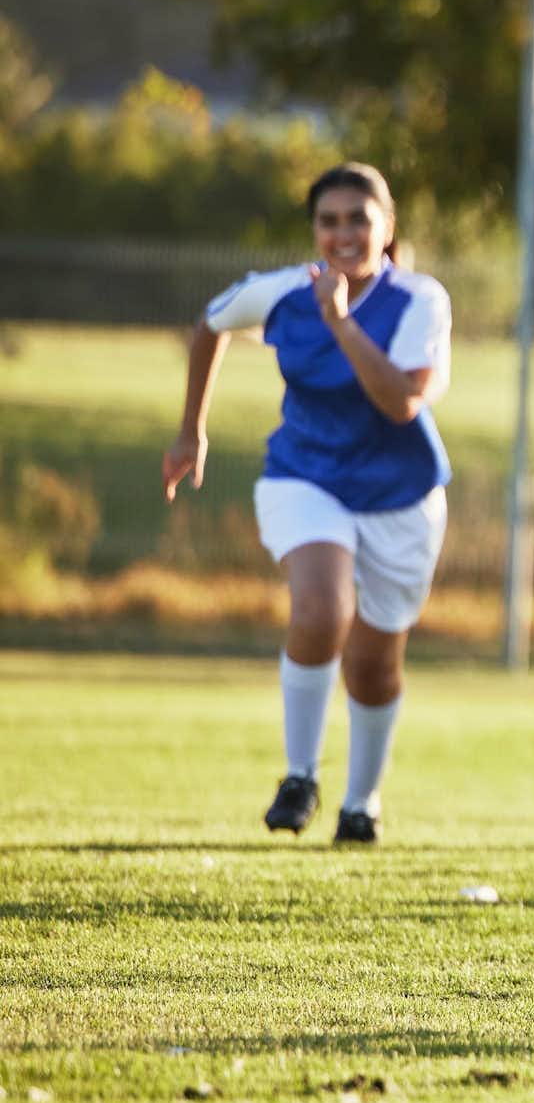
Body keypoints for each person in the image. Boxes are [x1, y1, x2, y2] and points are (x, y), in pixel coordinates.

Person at [164, 162, 452, 846]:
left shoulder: (420, 301)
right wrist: (190, 430)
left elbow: (401, 401)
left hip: (399, 496)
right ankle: (299, 775)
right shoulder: (282, 291)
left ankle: (361, 804)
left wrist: (342, 321)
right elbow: (209, 326)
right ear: (315, 230)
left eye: (360, 218)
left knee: (375, 665)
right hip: (305, 477)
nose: (344, 232)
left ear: (387, 229)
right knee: (322, 608)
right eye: (330, 220)